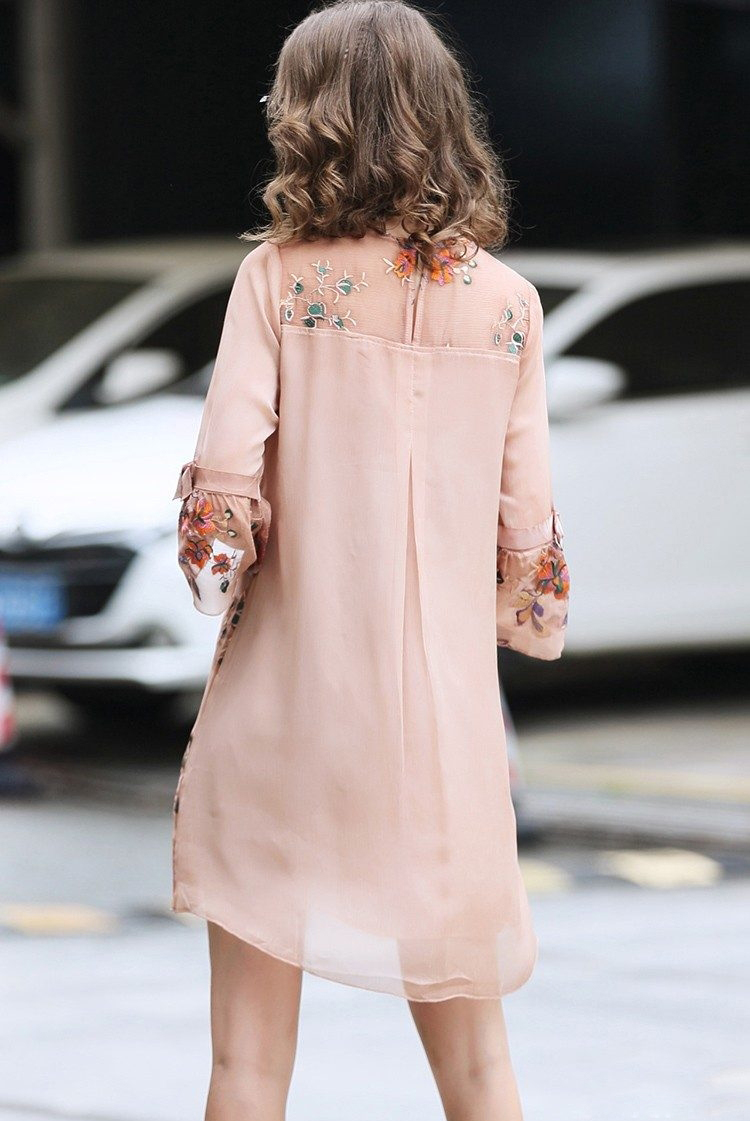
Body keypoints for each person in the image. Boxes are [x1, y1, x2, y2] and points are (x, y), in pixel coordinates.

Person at [172, 2, 570, 1118]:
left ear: (312, 118)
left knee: (247, 1067)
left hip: (288, 716)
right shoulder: (509, 308)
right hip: (443, 742)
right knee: (480, 1070)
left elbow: (216, 534)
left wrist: (234, 555)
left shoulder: (278, 282)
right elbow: (528, 562)